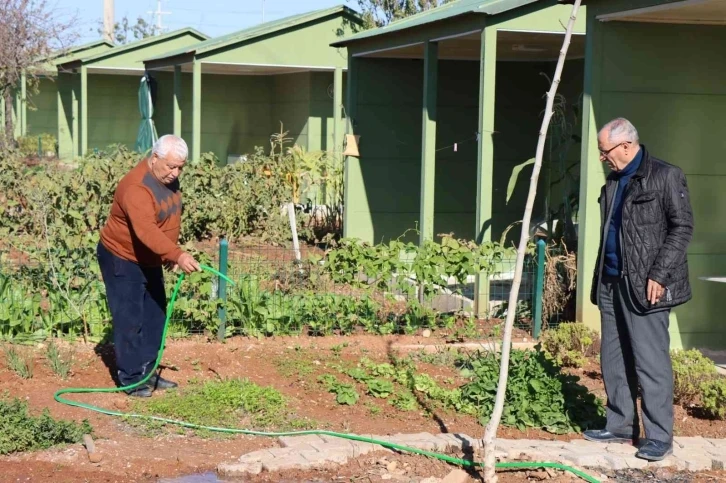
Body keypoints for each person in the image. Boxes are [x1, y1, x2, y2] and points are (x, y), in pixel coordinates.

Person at [583, 118, 694, 461]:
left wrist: (659, 274)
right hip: (611, 280)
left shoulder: (665, 175)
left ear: (626, 146)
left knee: (651, 362)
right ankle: (619, 425)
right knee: (613, 358)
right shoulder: (615, 180)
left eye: (605, 151)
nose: (602, 158)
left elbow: (682, 227)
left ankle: (659, 436)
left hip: (648, 286)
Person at [97, 135, 201, 398]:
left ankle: (147, 371)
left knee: (154, 315)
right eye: (171, 166)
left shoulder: (166, 179)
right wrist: (176, 255)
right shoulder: (137, 187)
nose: (175, 173)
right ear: (154, 158)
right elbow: (146, 230)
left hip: (149, 258)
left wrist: (166, 253)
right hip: (122, 257)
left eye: (180, 167)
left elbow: (166, 220)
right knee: (130, 319)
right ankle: (131, 379)